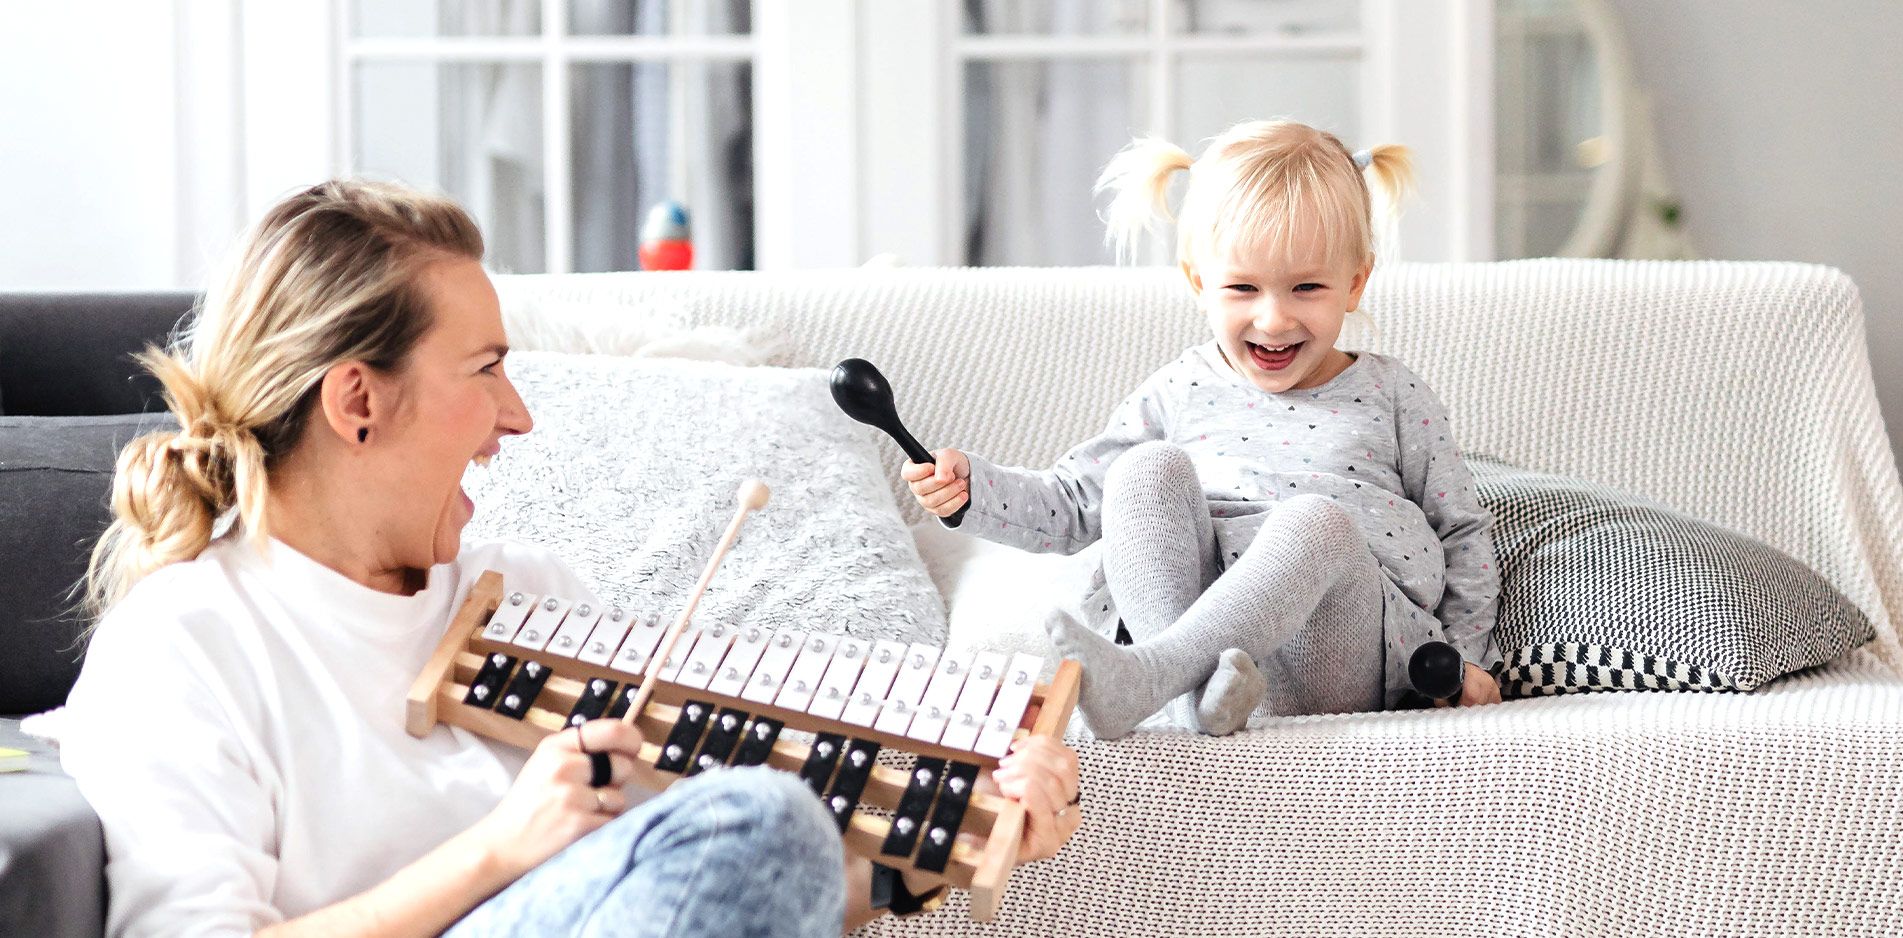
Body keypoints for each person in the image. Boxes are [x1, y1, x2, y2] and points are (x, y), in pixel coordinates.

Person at [58, 179, 1081, 937]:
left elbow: (710, 894)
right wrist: (499, 848)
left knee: (765, 824)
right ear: (357, 400)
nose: (518, 415)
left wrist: (939, 844)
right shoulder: (185, 643)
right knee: (762, 815)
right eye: (485, 369)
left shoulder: (528, 598)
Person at [902, 119, 1504, 741]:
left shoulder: (1392, 393)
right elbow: (1076, 503)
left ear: (1354, 284)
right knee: (1142, 470)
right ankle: (1190, 703)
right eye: (1242, 287)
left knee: (1314, 521)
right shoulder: (1179, 387)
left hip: (1337, 648)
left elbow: (1461, 533)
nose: (1273, 319)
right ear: (1198, 282)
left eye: (1307, 288)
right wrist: (973, 491)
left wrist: (1468, 659)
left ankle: (1152, 677)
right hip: (1216, 667)